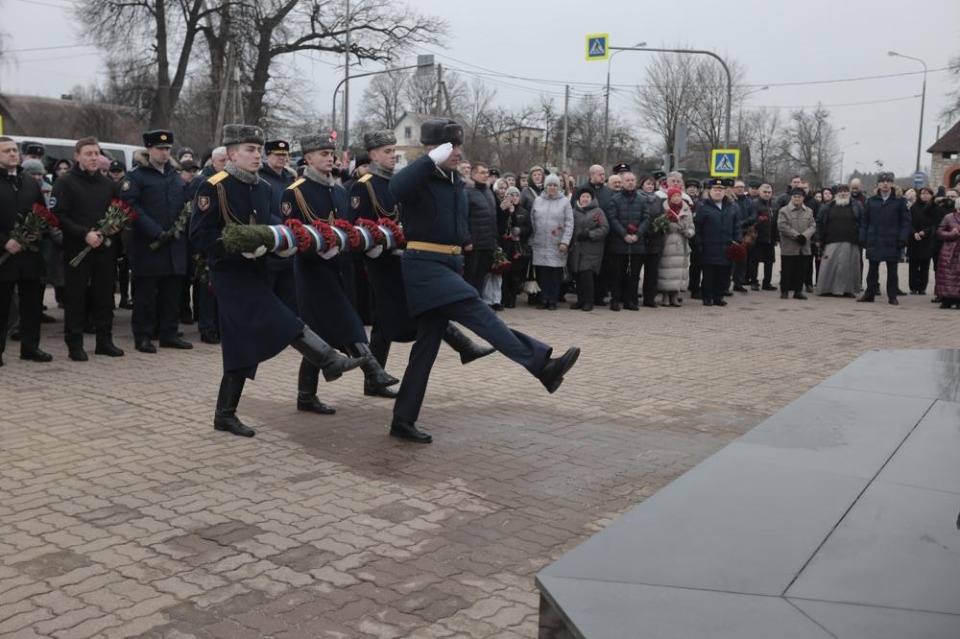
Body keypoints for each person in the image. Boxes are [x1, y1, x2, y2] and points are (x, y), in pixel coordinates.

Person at [387, 118, 581, 443]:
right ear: (433, 149)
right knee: (481, 313)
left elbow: (459, 228)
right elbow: (396, 189)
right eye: (451, 147)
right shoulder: (420, 177)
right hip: (424, 268)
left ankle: (402, 420)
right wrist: (428, 160)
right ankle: (540, 364)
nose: (458, 153)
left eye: (459, 146)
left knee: (426, 349)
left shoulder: (452, 182)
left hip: (448, 266)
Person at [189, 124, 366, 438]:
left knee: (241, 344)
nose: (258, 155)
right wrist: (237, 249)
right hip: (229, 275)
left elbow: (273, 226)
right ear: (232, 154)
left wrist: (282, 245)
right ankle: (328, 360)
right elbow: (200, 237)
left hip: (259, 272)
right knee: (284, 320)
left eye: (258, 150)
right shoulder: (213, 186)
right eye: (250, 150)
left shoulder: (264, 188)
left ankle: (224, 414)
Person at [349, 129, 494, 399]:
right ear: (372, 155)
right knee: (389, 317)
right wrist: (381, 244)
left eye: (394, 151)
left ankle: (376, 378)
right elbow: (358, 228)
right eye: (387, 152)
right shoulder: (365, 184)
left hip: (405, 258)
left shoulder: (403, 181)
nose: (393, 156)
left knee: (403, 314)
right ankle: (376, 377)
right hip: (381, 263)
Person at [282, 133, 398, 413]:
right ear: (308, 158)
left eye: (331, 153)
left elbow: (350, 228)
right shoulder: (295, 191)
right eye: (322, 154)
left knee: (321, 332)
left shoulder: (340, 190)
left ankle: (306, 395)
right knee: (346, 320)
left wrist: (364, 246)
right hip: (313, 270)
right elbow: (293, 234)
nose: (329, 158)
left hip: (341, 267)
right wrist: (318, 250)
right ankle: (373, 371)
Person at [51, 137, 124, 361]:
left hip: (104, 249)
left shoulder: (107, 183)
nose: (94, 158)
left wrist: (113, 228)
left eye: (96, 153)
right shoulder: (65, 182)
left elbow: (117, 211)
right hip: (77, 249)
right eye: (88, 153)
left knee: (104, 296)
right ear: (77, 156)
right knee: (76, 298)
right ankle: (74, 343)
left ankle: (104, 341)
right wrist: (84, 233)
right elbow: (58, 216)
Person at [121, 129, 193, 353]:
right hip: (149, 246)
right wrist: (154, 231)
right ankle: (143, 335)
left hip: (174, 245)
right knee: (145, 296)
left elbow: (184, 204)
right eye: (159, 148)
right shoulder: (137, 176)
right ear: (149, 150)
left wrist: (180, 229)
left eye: (167, 149)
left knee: (172, 294)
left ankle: (169, 333)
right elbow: (131, 206)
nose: (164, 152)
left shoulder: (174, 175)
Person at [0, 136, 52, 365]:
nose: (12, 154)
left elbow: (42, 213)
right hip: (4, 256)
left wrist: (39, 231)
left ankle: (30, 347)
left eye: (14, 150)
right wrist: (3, 242)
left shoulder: (29, 181)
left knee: (31, 305)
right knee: (2, 307)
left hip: (30, 255)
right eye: (6, 151)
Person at [857, 172, 910, 305]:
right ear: (878, 184)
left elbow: (906, 222)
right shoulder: (872, 200)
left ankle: (892, 296)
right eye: (882, 181)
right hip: (874, 239)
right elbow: (864, 220)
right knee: (872, 269)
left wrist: (903, 238)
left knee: (892, 270)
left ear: (892, 183)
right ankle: (870, 294)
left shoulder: (899, 201)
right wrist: (863, 236)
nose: (885, 184)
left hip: (892, 240)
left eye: (888, 181)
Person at [258, 139, 298, 314]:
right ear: (268, 156)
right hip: (271, 244)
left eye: (285, 155)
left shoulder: (290, 178)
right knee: (268, 299)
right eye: (278, 155)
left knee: (289, 299)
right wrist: (281, 228)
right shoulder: (260, 178)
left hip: (291, 245)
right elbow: (261, 210)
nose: (282, 158)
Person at [529, 174, 573, 310]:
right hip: (540, 243)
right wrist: (532, 238)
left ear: (558, 187)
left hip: (557, 243)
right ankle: (543, 299)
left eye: (555, 185)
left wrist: (565, 242)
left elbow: (569, 223)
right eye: (549, 185)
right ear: (545, 186)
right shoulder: (538, 200)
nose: (552, 187)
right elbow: (532, 219)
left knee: (555, 274)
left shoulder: (565, 202)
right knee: (542, 273)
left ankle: (552, 300)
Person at [695, 178, 742, 307]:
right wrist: (698, 244)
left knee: (723, 274)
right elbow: (697, 227)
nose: (718, 192)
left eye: (720, 190)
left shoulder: (731, 207)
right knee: (709, 274)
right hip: (709, 246)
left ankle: (719, 296)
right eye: (715, 190)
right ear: (709, 191)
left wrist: (738, 240)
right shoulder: (703, 207)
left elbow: (737, 226)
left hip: (726, 247)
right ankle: (707, 297)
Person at [606, 172, 648, 311]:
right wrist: (624, 234)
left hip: (637, 243)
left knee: (634, 274)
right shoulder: (615, 199)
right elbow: (612, 218)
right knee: (617, 273)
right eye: (627, 180)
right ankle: (615, 300)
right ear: (622, 183)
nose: (630, 182)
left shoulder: (642, 199)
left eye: (632, 180)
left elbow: (646, 218)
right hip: (619, 242)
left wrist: (637, 234)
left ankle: (630, 300)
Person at [814, 184, 862, 297]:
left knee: (848, 267)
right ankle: (826, 289)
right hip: (831, 240)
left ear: (849, 193)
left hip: (851, 240)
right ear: (837, 193)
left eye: (845, 191)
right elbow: (819, 222)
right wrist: (818, 238)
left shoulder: (856, 206)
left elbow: (862, 222)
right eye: (840, 191)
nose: (843, 193)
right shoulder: (827, 207)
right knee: (828, 266)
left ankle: (848, 290)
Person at [569, 186, 608, 311]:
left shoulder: (598, 212)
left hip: (591, 249)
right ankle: (580, 300)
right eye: (583, 197)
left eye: (588, 197)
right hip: (576, 249)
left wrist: (590, 234)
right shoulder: (574, 211)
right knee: (578, 277)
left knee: (587, 276)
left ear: (592, 199)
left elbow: (604, 228)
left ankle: (588, 301)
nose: (585, 199)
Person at [656, 187, 695, 307]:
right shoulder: (664, 209)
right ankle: (665, 296)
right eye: (674, 196)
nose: (677, 198)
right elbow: (658, 225)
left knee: (679, 271)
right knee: (667, 270)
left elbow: (692, 226)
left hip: (682, 244)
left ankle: (675, 296)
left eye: (679, 196)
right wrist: (667, 225)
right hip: (668, 243)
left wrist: (688, 232)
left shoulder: (686, 209)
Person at [463, 162, 498, 295]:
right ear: (473, 174)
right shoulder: (467, 192)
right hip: (474, 244)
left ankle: (478, 303)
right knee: (470, 276)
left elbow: (492, 217)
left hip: (487, 243)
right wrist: (467, 240)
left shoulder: (488, 192)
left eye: (487, 172)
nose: (486, 175)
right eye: (482, 172)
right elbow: (463, 218)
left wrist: (495, 240)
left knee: (481, 276)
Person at [778, 187, 816, 300]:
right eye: (795, 197)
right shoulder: (784, 210)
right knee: (787, 270)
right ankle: (784, 291)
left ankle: (798, 291)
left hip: (803, 246)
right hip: (789, 246)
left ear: (803, 198)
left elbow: (813, 226)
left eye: (799, 197)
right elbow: (782, 226)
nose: (797, 199)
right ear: (791, 197)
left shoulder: (809, 211)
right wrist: (796, 236)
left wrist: (804, 236)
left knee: (801, 270)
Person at [907, 186, 938, 295]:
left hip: (927, 240)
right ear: (919, 195)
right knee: (913, 265)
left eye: (927, 193)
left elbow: (935, 224)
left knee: (925, 265)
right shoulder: (914, 207)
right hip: (914, 239)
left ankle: (922, 287)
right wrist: (914, 232)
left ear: (931, 195)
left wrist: (925, 232)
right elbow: (908, 222)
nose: (925, 195)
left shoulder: (934, 208)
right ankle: (913, 287)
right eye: (923, 193)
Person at [934, 197, 960, 308]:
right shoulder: (948, 217)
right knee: (946, 276)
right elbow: (940, 232)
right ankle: (946, 299)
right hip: (949, 251)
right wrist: (951, 234)